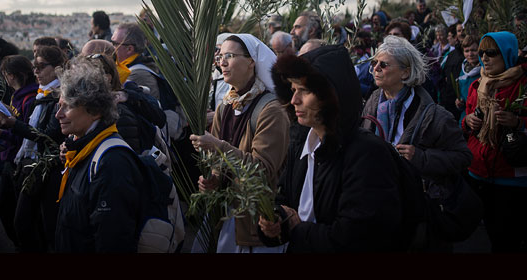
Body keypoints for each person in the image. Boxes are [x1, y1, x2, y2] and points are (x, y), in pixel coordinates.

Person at [257, 44, 404, 252]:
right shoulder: (301, 144)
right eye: (292, 90)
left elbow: (359, 237)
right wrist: (275, 220)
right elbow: (284, 200)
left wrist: (296, 229)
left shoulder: (368, 154)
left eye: (304, 91)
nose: (294, 100)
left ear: (332, 96)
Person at [362, 35, 472, 251]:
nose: (375, 68)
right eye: (373, 63)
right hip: (380, 202)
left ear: (405, 71)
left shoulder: (435, 116)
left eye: (383, 64)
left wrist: (421, 157)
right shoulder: (373, 102)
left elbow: (463, 157)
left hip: (420, 210)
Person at [189, 33, 290, 253]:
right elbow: (218, 163)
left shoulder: (271, 110)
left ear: (251, 62)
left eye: (230, 56)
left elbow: (261, 170)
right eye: (220, 56)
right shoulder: (226, 106)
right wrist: (214, 179)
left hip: (256, 226)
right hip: (226, 217)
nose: (222, 62)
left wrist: (218, 146)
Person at [54, 57, 146, 252]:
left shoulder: (111, 162)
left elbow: (113, 240)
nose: (58, 114)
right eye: (59, 105)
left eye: (68, 106)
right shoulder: (82, 150)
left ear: (95, 111)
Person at [0, 45, 66, 252]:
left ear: (58, 68)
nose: (36, 71)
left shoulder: (58, 96)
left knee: (28, 223)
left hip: (46, 166)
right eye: (34, 67)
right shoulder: (42, 93)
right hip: (31, 162)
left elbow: (49, 134)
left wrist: (13, 125)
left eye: (41, 67)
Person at [462, 31, 527, 253]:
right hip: (479, 172)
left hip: (510, 177)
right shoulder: (478, 85)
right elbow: (467, 118)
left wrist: (518, 122)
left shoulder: (523, 85)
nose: (484, 58)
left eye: (491, 52)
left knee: (507, 240)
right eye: (482, 53)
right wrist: (467, 121)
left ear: (507, 54)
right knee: (487, 234)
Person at [0, 54, 38, 248]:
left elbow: (26, 134)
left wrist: (2, 133)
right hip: (10, 157)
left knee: (13, 213)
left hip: (18, 160)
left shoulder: (29, 99)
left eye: (5, 74)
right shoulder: (19, 96)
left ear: (12, 75)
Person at [437, 24, 465, 121]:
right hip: (449, 101)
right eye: (459, 31)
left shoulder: (465, 56)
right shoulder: (451, 54)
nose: (462, 34)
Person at [454, 35, 481, 123]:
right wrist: (459, 102)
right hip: (466, 119)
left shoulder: (485, 70)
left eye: (474, 50)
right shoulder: (463, 70)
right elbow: (463, 96)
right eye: (467, 51)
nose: (470, 54)